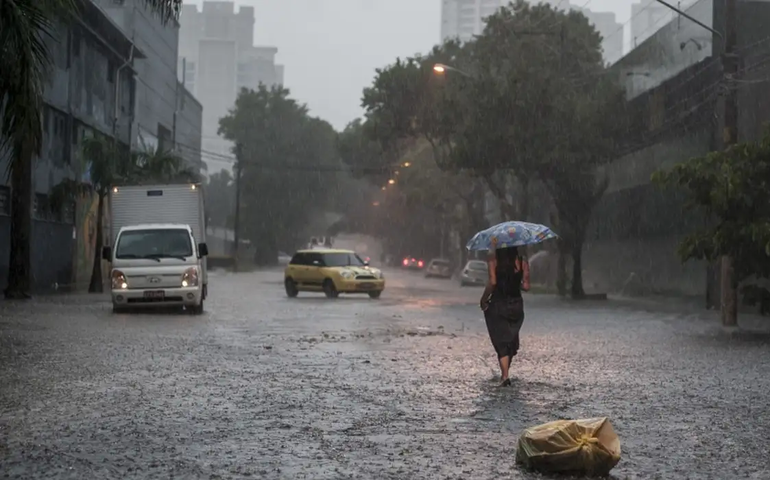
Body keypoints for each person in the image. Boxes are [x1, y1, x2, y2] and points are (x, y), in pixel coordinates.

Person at [480, 244, 530, 387]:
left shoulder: (493, 260)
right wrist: (514, 282)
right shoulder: (522, 262)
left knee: (501, 340)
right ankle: (505, 372)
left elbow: (493, 282)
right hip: (516, 305)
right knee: (510, 339)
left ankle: (505, 376)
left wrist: (483, 299)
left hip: (498, 304)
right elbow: (526, 286)